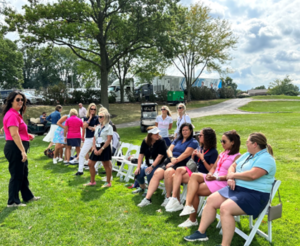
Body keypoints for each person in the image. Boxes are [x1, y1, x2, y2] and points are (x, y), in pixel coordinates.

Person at [183, 133, 275, 245]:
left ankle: (225, 244)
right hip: (237, 189)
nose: (246, 144)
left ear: (255, 144)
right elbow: (233, 166)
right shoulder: (248, 155)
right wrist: (231, 175)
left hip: (254, 195)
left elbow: (253, 175)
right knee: (211, 200)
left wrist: (233, 176)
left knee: (225, 208)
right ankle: (201, 232)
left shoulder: (266, 158)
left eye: (248, 142)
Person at [178, 130, 241, 228]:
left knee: (195, 190)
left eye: (224, 141)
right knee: (194, 175)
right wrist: (210, 174)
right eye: (221, 141)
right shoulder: (223, 153)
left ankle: (192, 219)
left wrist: (216, 177)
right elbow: (214, 168)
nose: (222, 143)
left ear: (233, 142)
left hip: (222, 182)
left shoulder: (237, 157)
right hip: (213, 177)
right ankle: (188, 205)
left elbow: (232, 176)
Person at [138, 123, 199, 207]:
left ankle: (168, 197)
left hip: (182, 163)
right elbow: (169, 150)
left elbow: (186, 154)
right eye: (183, 130)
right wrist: (171, 158)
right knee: (157, 173)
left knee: (168, 172)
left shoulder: (193, 142)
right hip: (170, 160)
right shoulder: (178, 139)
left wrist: (174, 161)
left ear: (191, 131)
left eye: (187, 130)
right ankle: (147, 199)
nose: (184, 132)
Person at [165, 127, 219, 213]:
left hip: (201, 174)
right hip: (193, 169)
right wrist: (193, 156)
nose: (198, 136)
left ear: (207, 137)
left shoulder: (213, 152)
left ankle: (176, 201)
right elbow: (193, 164)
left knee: (174, 176)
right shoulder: (201, 148)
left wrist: (202, 159)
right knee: (178, 169)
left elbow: (210, 169)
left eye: (200, 135)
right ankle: (175, 198)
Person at [3, 91, 40, 207]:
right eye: (18, 99)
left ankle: (27, 196)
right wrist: (23, 151)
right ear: (11, 101)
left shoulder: (16, 114)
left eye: (22, 100)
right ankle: (13, 201)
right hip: (15, 148)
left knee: (23, 174)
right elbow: (14, 135)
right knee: (17, 175)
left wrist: (27, 136)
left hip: (18, 146)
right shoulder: (12, 115)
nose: (20, 102)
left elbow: (18, 131)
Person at [133, 126, 168, 196]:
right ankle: (143, 187)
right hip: (148, 164)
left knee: (149, 172)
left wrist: (152, 166)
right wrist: (138, 167)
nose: (157, 135)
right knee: (138, 173)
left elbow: (160, 156)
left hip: (160, 164)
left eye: (158, 133)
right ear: (150, 135)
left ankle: (149, 189)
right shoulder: (145, 141)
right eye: (155, 134)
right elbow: (141, 155)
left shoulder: (161, 142)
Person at [84, 111, 113, 187]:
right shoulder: (98, 127)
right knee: (90, 163)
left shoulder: (109, 127)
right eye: (99, 116)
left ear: (105, 118)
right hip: (97, 146)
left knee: (106, 165)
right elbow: (94, 138)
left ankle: (108, 182)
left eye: (101, 117)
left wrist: (102, 149)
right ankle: (92, 181)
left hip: (104, 147)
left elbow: (109, 140)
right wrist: (94, 148)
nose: (99, 118)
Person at [75, 103, 98, 176]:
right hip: (88, 138)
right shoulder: (86, 117)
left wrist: (90, 127)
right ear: (89, 109)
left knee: (95, 154)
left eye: (94, 109)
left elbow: (96, 128)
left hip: (95, 138)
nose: (93, 110)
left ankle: (95, 169)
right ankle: (80, 170)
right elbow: (84, 126)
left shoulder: (97, 118)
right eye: (91, 109)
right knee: (82, 154)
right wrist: (90, 119)